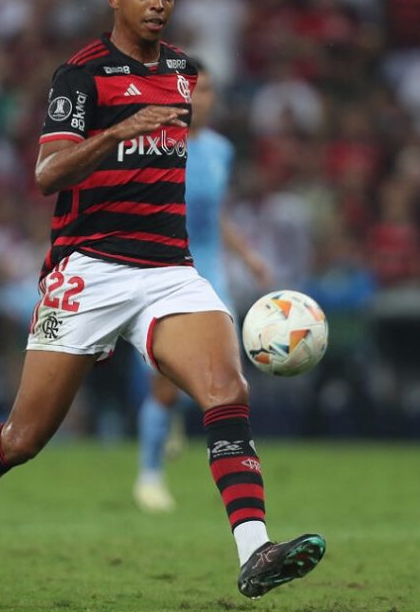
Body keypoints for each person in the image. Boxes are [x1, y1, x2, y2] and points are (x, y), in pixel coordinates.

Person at [0, 0, 325, 599]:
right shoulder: (81, 77)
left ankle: (255, 551)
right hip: (88, 270)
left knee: (226, 390)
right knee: (24, 436)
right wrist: (119, 132)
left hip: (169, 271)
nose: (158, 3)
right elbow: (47, 174)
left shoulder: (180, 72)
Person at [132, 61, 272, 513]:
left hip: (211, 273)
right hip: (164, 271)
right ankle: (150, 477)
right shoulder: (152, 147)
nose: (202, 99)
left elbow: (216, 214)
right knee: (165, 387)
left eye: (209, 90)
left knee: (226, 379)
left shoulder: (220, 150)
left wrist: (248, 255)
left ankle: (233, 476)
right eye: (194, 90)